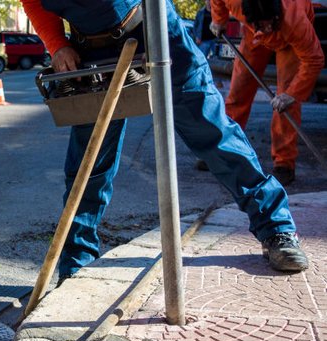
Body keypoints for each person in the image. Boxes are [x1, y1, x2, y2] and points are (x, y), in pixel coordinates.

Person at [20, 0, 309, 281]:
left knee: (215, 134)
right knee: (89, 164)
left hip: (155, 27)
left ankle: (276, 227)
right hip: (91, 49)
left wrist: (168, 37)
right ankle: (77, 261)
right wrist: (57, 44)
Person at [209, 0, 324, 185]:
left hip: (289, 42)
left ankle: (284, 164)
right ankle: (223, 151)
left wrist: (292, 94)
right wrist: (219, 19)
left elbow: (315, 59)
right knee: (239, 91)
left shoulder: (295, 20)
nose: (268, 27)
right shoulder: (238, 4)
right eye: (263, 24)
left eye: (270, 23)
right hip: (254, 35)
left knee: (285, 104)